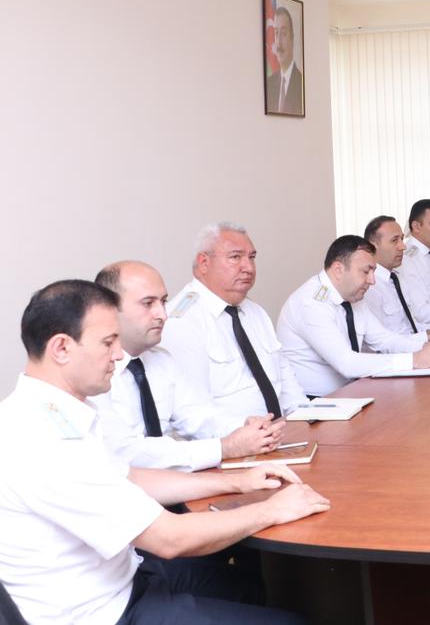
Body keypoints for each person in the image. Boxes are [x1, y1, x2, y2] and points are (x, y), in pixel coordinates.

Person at [0, 279, 329, 624]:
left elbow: (131, 478)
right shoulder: (43, 439)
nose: (118, 354)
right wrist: (272, 509)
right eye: (108, 342)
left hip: (127, 576)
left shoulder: (54, 411)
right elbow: (169, 539)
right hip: (106, 612)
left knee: (241, 582)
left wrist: (237, 481)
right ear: (61, 348)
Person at [91, 261, 284, 471]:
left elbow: (198, 416)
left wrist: (246, 428)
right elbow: (127, 453)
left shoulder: (161, 361)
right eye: (148, 303)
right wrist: (225, 448)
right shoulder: (92, 372)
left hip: (173, 482)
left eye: (163, 302)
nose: (163, 315)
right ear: (109, 309)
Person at [276, 235, 430, 397]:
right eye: (366, 271)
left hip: (354, 393)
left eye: (373, 272)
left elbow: (384, 340)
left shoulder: (352, 296)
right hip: (318, 404)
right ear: (338, 270)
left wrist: (427, 346)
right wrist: (414, 359)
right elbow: (347, 363)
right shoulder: (311, 303)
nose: (372, 280)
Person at [162, 223, 306, 421]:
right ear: (204, 263)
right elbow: (191, 412)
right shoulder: (182, 321)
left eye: (252, 257)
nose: (249, 267)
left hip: (282, 431)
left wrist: (305, 417)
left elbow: (285, 378)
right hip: (230, 438)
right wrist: (248, 434)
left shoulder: (256, 312)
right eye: (235, 257)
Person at [361, 215, 430, 339]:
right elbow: (382, 342)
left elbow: (411, 328)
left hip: (414, 346)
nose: (403, 246)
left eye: (402, 239)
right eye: (394, 240)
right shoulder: (369, 286)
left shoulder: (396, 279)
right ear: (373, 246)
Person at [264, 4, 303, 116]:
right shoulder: (269, 84)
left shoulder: (301, 83)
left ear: (292, 38)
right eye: (276, 33)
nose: (279, 43)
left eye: (284, 33)